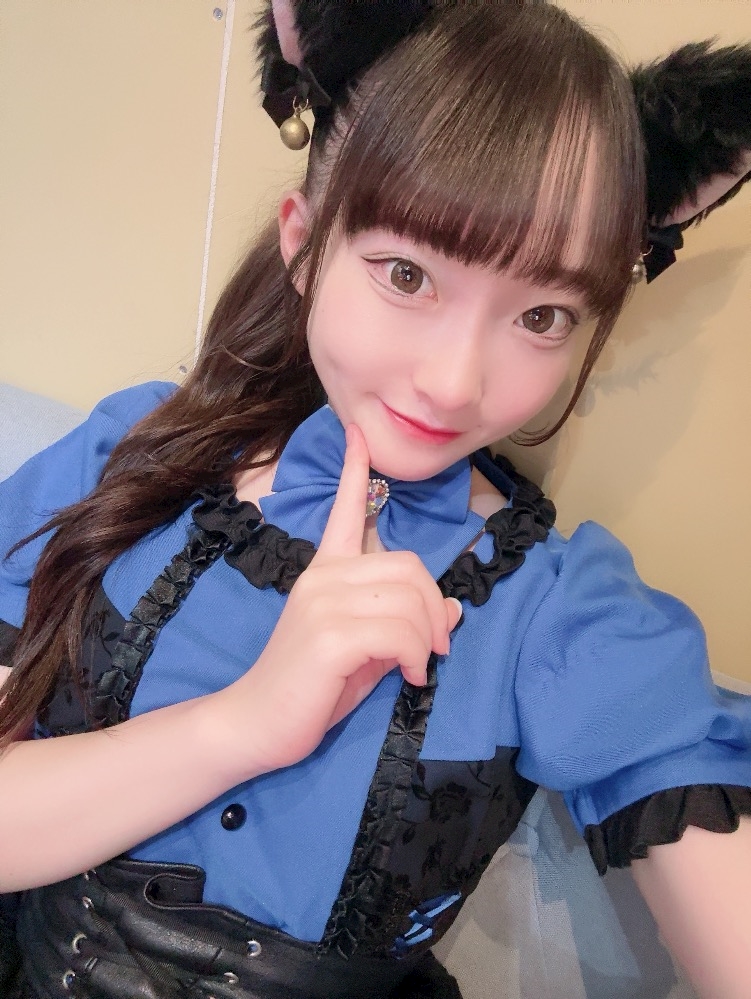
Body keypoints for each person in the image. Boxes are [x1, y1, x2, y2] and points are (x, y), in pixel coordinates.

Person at [1, 2, 750, 996]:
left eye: (541, 316)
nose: (452, 382)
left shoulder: (561, 613)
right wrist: (243, 723)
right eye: (406, 274)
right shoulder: (136, 457)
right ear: (305, 244)